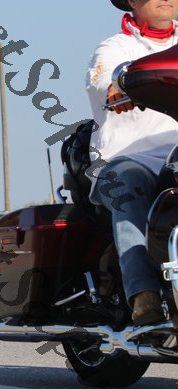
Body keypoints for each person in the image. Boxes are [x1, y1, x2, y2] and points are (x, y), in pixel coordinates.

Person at [86, 0, 178, 325]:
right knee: (129, 181)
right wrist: (116, 86)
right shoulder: (115, 47)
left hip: (174, 157)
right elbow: (102, 79)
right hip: (129, 158)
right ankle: (143, 293)